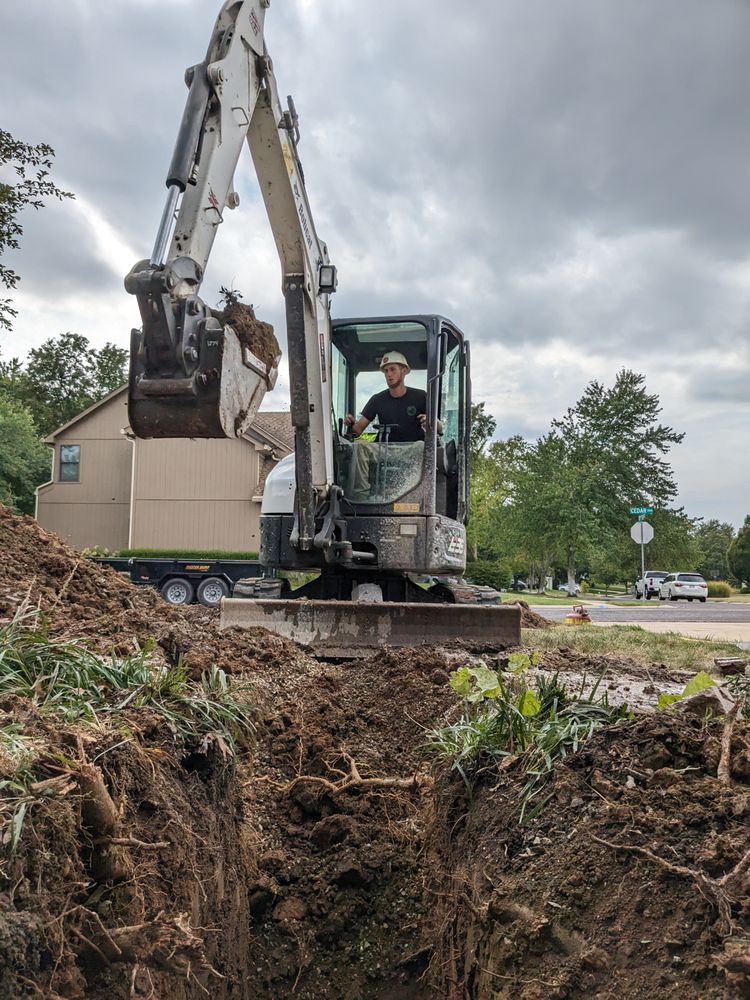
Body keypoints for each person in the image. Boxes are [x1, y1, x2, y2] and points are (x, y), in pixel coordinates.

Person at [345, 352, 432, 442]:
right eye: (386, 371)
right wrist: (351, 424)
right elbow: (357, 430)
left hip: (414, 452)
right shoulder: (377, 400)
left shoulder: (421, 396)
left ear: (404, 370)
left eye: (392, 369)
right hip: (383, 452)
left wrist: (431, 422)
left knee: (422, 447)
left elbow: (439, 428)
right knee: (360, 444)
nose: (389, 374)